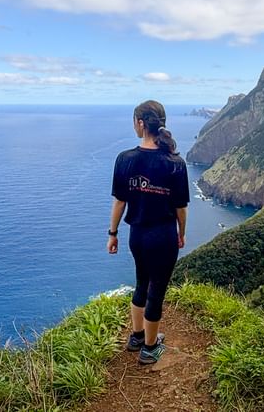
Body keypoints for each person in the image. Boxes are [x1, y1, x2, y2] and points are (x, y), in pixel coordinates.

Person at [107, 100, 189, 365]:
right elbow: (180, 207)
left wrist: (112, 233)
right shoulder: (175, 163)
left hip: (137, 236)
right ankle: (151, 349)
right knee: (157, 291)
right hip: (163, 235)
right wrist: (182, 233)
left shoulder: (125, 160)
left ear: (140, 123)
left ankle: (137, 336)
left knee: (141, 282)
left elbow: (119, 201)